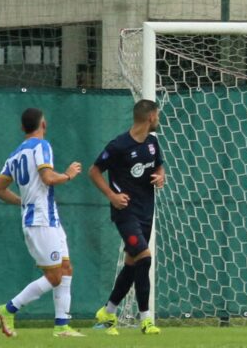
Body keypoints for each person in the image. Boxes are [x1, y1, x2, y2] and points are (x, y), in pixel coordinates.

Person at [0, 108, 84, 337]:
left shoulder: (14, 155)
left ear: (23, 128)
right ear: (43, 124)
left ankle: (62, 325)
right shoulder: (42, 146)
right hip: (41, 219)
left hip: (47, 218)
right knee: (54, 276)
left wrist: (23, 203)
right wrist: (69, 174)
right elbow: (48, 178)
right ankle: (7, 309)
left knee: (65, 269)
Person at [89, 99, 165, 335]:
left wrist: (161, 176)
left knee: (132, 264)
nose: (159, 120)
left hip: (146, 212)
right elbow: (94, 171)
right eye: (158, 115)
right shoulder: (119, 145)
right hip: (125, 213)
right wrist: (112, 196)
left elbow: (159, 167)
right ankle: (146, 320)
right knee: (144, 257)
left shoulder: (152, 143)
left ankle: (108, 312)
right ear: (151, 116)